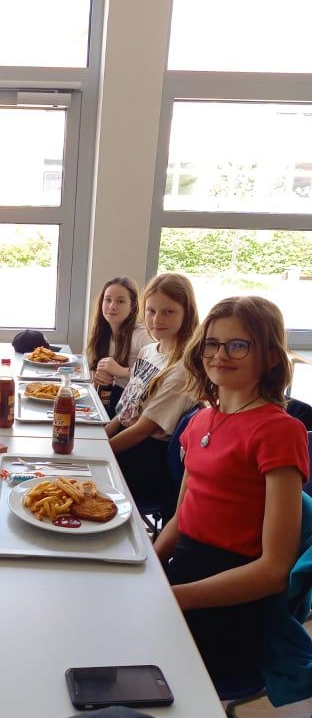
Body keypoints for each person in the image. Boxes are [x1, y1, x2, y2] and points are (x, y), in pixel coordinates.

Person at [154, 296, 309, 684]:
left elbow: (274, 571)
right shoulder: (199, 420)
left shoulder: (279, 431)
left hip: (232, 600)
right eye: (213, 343)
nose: (220, 355)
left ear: (270, 356)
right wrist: (150, 566)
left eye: (238, 345)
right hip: (184, 573)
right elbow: (183, 515)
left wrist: (177, 597)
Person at [104, 272, 199, 502]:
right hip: (128, 440)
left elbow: (142, 430)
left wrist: (101, 452)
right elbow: (125, 413)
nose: (157, 319)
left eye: (169, 312)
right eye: (151, 311)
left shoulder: (182, 369)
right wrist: (100, 438)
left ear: (186, 314)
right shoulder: (148, 351)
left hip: (147, 460)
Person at [86, 277, 153, 413]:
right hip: (111, 399)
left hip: (135, 407)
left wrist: (120, 371)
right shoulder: (102, 333)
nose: (112, 306)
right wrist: (98, 378)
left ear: (133, 307)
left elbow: (159, 372)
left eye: (120, 301)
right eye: (108, 300)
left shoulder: (141, 335)